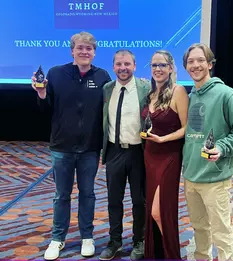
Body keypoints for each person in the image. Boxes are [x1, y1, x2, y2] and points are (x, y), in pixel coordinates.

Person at [31, 31, 111, 260]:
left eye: (89, 49)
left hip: (90, 149)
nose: (85, 52)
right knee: (61, 195)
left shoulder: (103, 76)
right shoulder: (56, 74)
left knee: (88, 194)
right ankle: (57, 238)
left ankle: (87, 237)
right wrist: (42, 92)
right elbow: (45, 109)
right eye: (80, 48)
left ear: (94, 52)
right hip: (61, 147)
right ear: (72, 51)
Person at [182, 43, 233, 261]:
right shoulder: (189, 97)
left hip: (215, 177)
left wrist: (221, 148)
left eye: (200, 60)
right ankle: (202, 257)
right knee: (199, 227)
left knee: (221, 230)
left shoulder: (227, 95)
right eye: (191, 61)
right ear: (186, 67)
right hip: (191, 175)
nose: (196, 65)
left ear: (209, 64)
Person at [100, 50, 151, 260]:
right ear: (113, 67)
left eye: (127, 64)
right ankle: (115, 241)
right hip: (114, 151)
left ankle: (139, 240)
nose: (123, 68)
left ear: (135, 66)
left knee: (139, 200)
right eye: (119, 64)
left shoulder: (145, 87)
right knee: (114, 200)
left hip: (138, 151)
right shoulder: (107, 89)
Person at [141, 50, 189, 259]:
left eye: (162, 65)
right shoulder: (150, 94)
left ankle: (170, 254)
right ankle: (157, 253)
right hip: (150, 155)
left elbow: (187, 128)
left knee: (159, 211)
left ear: (171, 68)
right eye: (154, 65)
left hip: (169, 156)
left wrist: (164, 139)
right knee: (152, 209)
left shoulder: (178, 92)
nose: (158, 69)